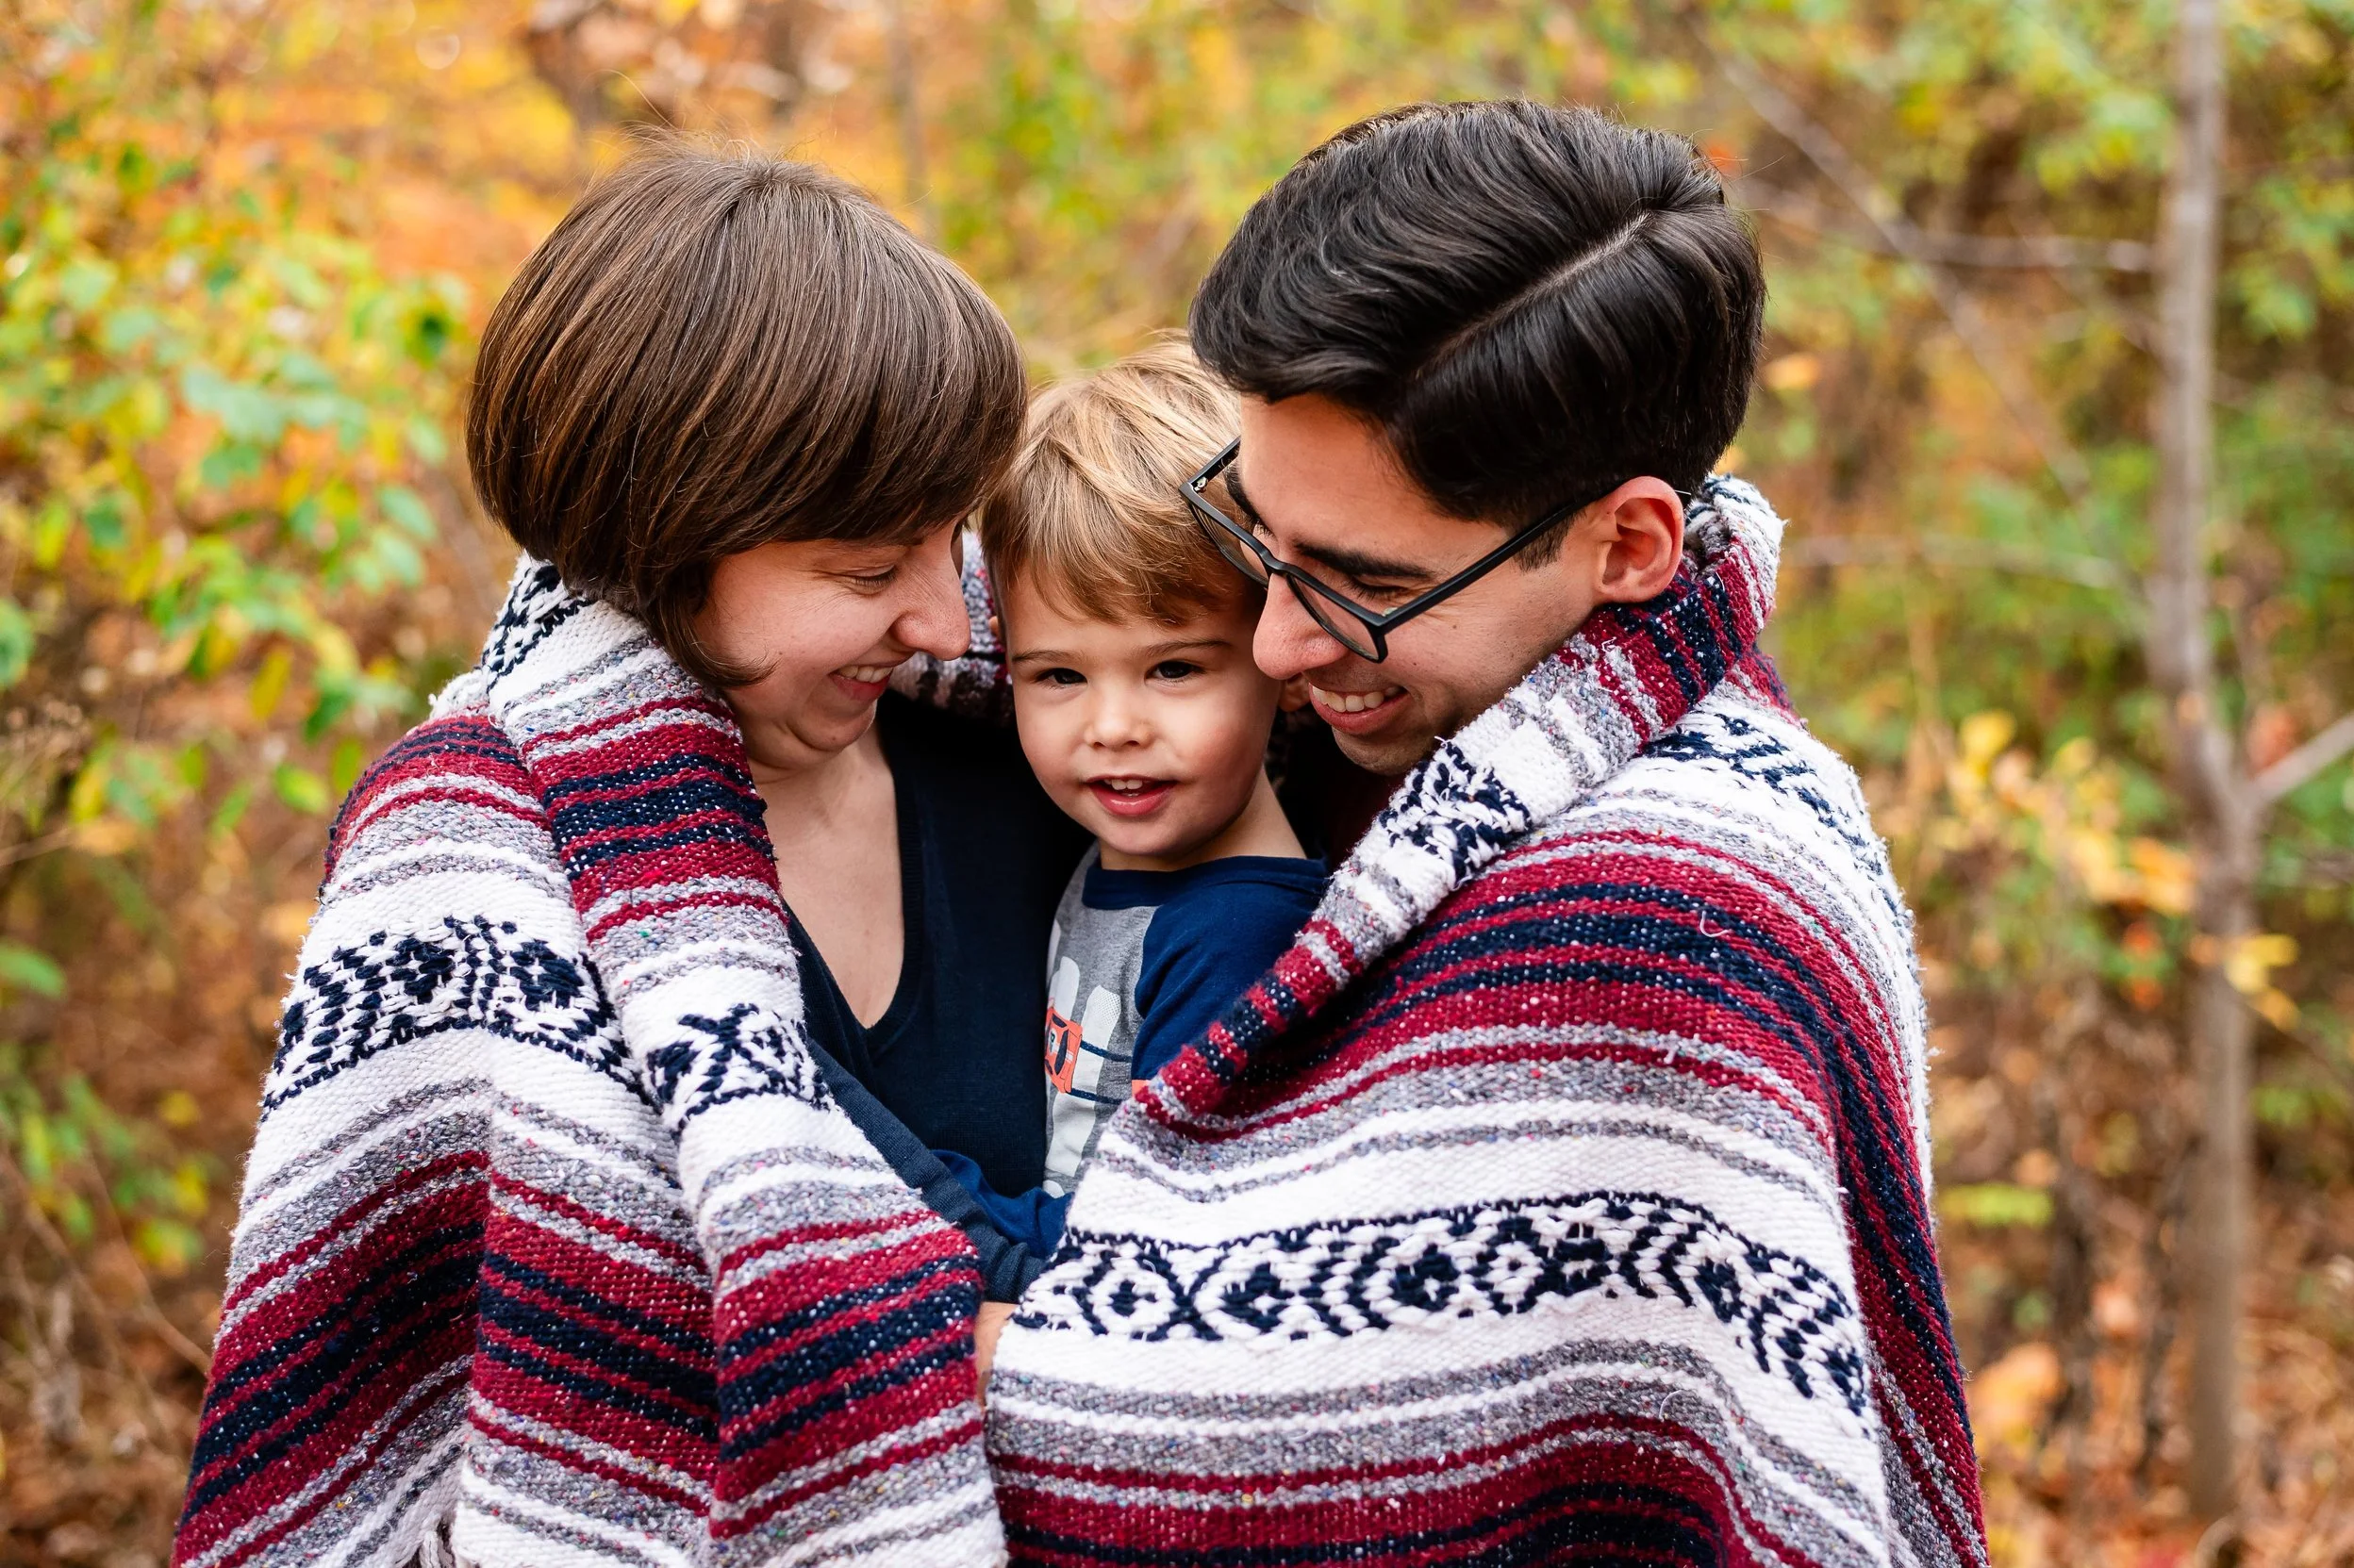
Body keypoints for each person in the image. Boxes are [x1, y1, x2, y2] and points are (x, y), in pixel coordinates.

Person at [984, 103, 1991, 1568]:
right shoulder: (1392, 709)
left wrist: (905, 1327)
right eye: (1254, 534)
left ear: (1630, 545)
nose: (1269, 642)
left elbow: (1270, 1434)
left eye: (1357, 580)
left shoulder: (1673, 911)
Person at [174, 142, 1073, 1568]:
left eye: (949, 533)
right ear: (668, 537)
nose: (946, 620)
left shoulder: (1048, 745)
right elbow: (372, 1414)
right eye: (864, 566)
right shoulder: (473, 867)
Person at [929, 344, 1326, 1259]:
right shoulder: (1126, 862)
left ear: (1283, 653)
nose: (1112, 726)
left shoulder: (1237, 935)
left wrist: (920, 1188)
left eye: (1173, 667)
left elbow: (1150, 1237)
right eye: (1059, 673)